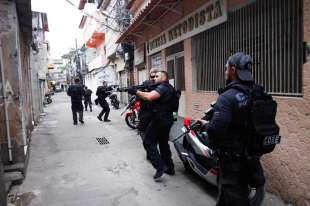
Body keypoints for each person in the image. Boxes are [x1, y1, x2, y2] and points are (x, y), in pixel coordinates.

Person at [198, 52, 265, 206]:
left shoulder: (227, 96)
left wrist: (212, 144)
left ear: (233, 70)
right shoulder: (258, 92)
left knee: (234, 198)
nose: (225, 71)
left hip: (232, 160)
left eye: (226, 68)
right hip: (252, 156)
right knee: (231, 196)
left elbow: (215, 130)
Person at [127, 71, 176, 181]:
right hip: (167, 119)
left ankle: (160, 166)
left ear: (164, 77)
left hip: (160, 119)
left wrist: (136, 91)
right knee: (163, 144)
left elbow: (149, 97)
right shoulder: (169, 87)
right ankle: (170, 168)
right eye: (153, 76)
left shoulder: (162, 87)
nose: (154, 78)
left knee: (148, 141)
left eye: (157, 76)